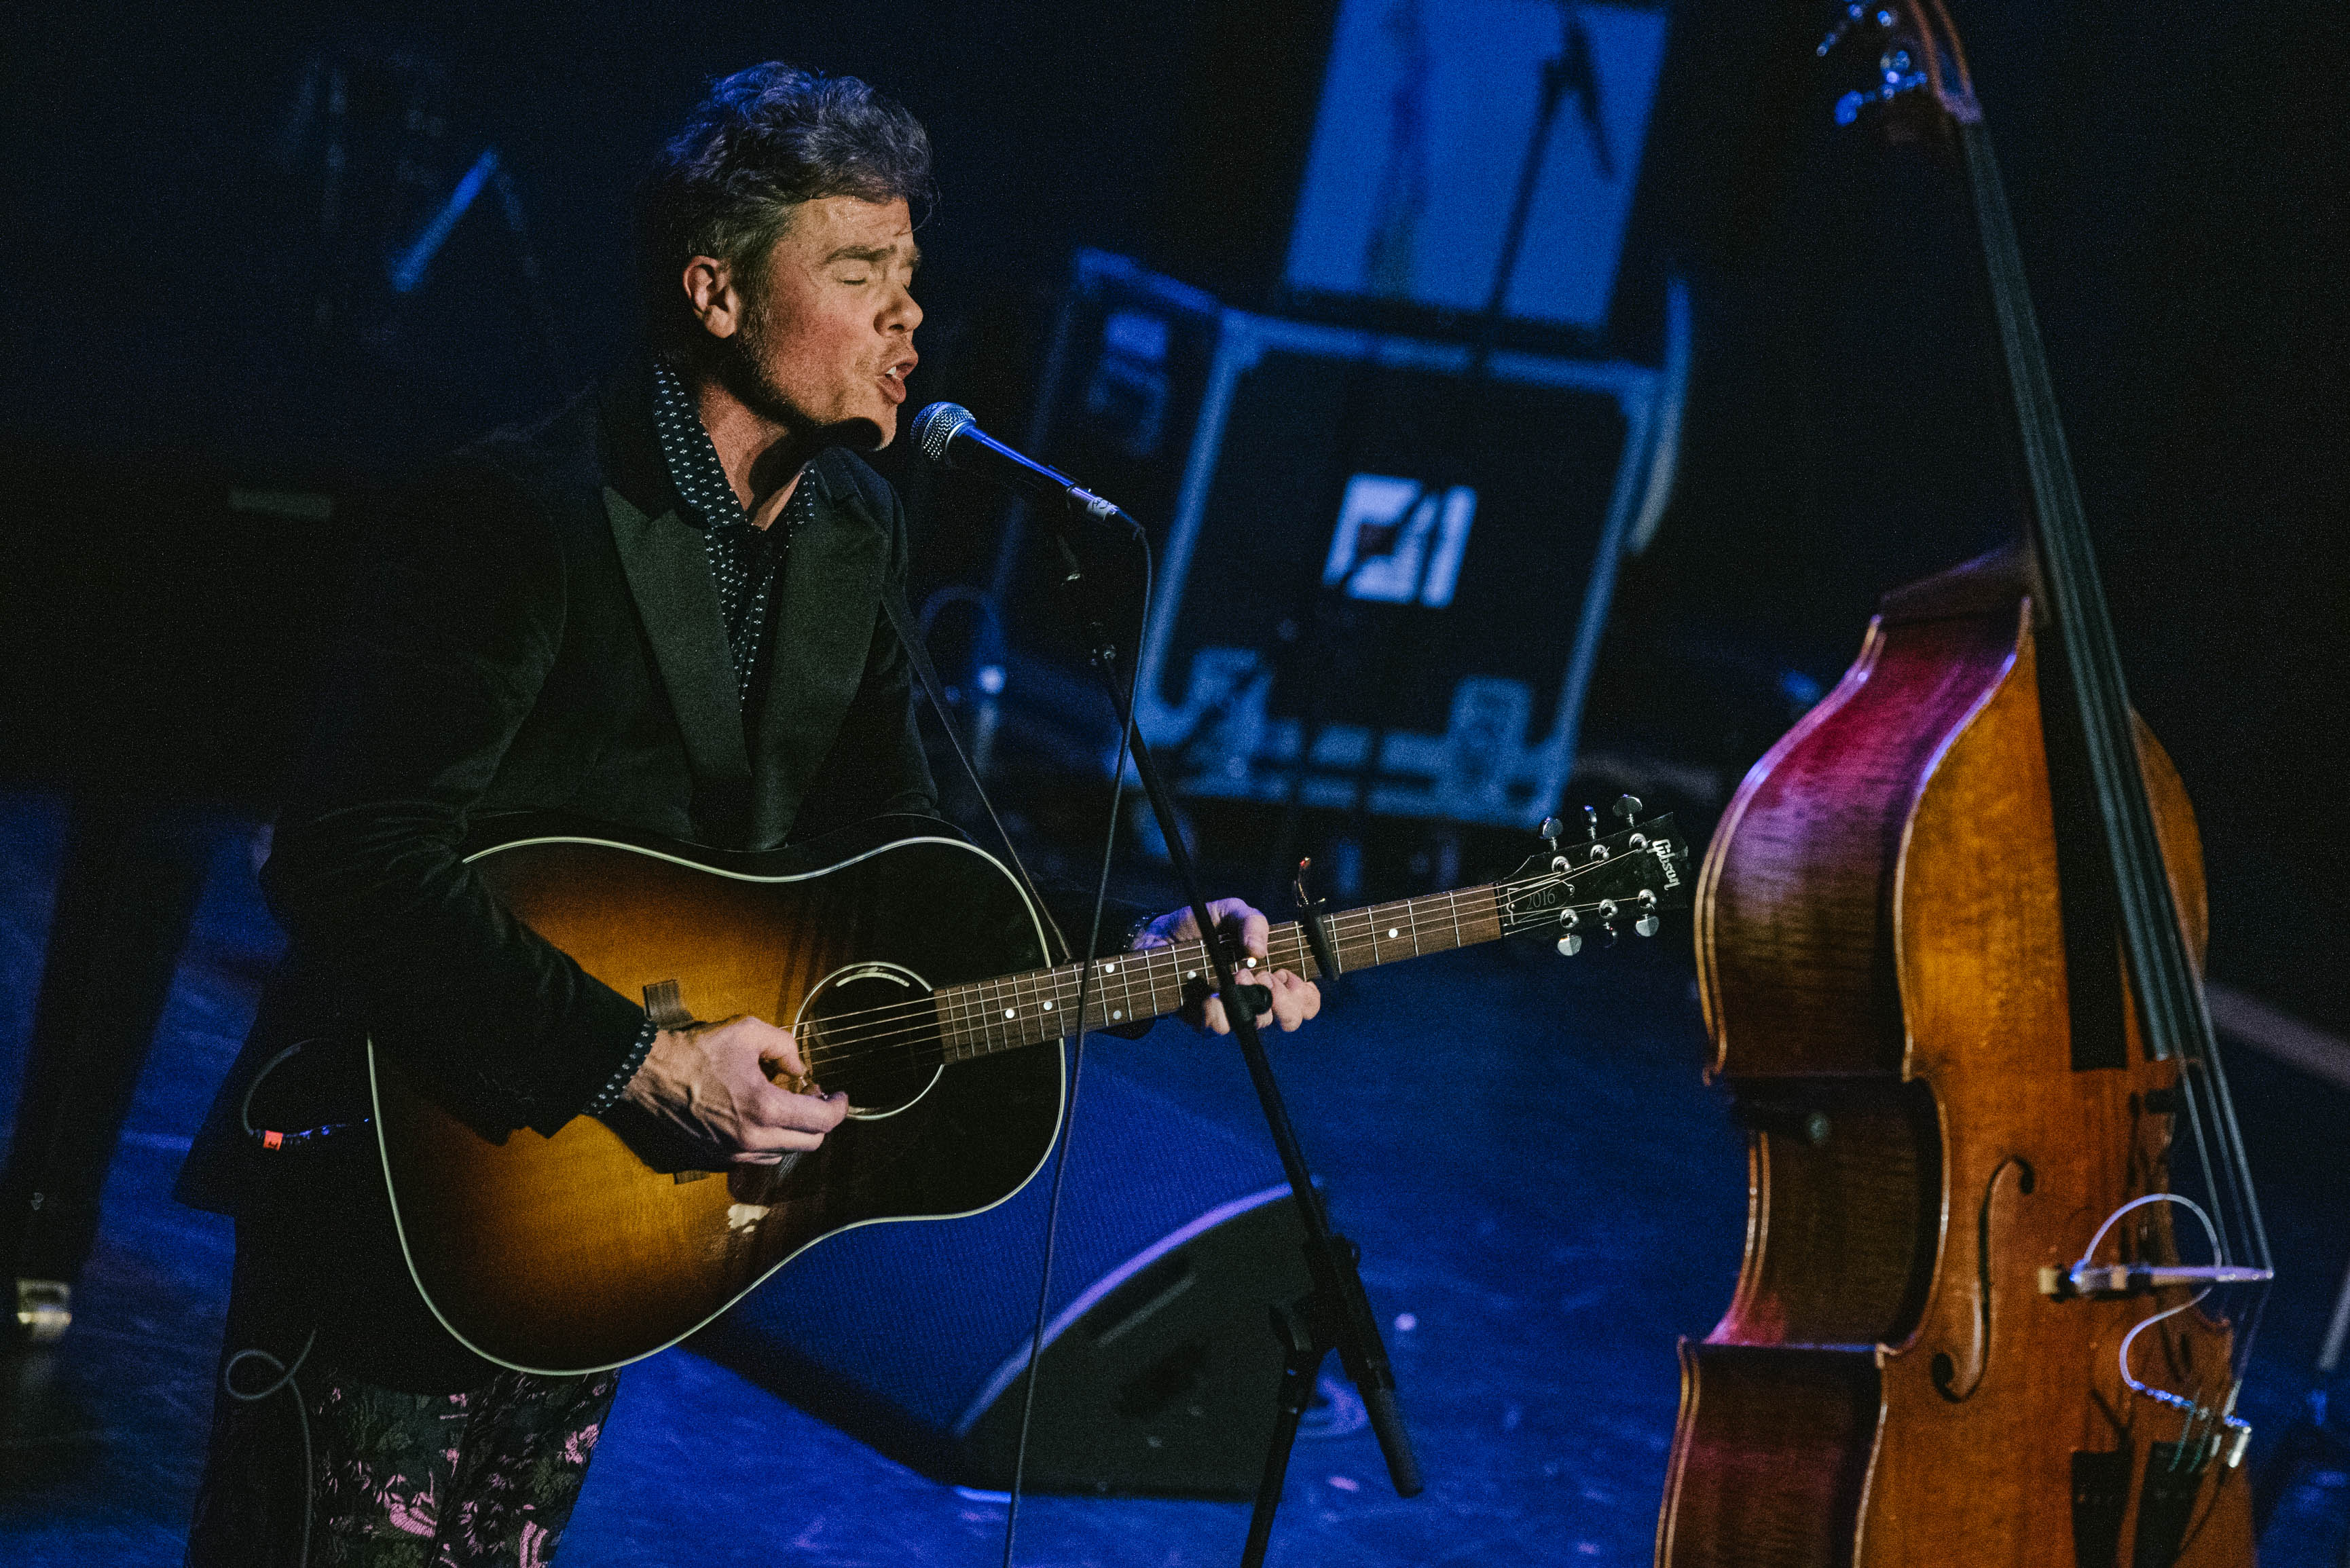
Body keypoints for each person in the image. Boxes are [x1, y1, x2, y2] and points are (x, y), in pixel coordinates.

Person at [176, 62, 1317, 1566]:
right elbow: (347, 855)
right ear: (716, 293)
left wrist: (1152, 952)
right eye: (859, 274)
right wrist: (635, 1061)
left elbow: (909, 878)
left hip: (597, 1224)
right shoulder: (521, 514)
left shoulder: (853, 531)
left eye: (911, 276)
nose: (909, 319)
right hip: (410, 1166)